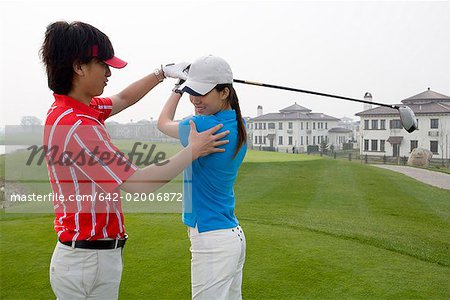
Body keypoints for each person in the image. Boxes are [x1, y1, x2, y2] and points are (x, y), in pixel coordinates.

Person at [40, 21, 229, 299]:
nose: (108, 73)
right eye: (103, 65)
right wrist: (192, 150)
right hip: (86, 261)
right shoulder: (77, 125)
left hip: (91, 256)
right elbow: (138, 184)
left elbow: (124, 98)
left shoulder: (78, 108)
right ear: (79, 66)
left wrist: (162, 73)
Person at [158, 55, 247, 299]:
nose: (194, 99)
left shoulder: (202, 126)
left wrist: (177, 86)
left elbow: (163, 122)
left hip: (212, 240)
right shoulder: (240, 124)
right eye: (190, 91)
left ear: (224, 92)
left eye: (201, 92)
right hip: (230, 236)